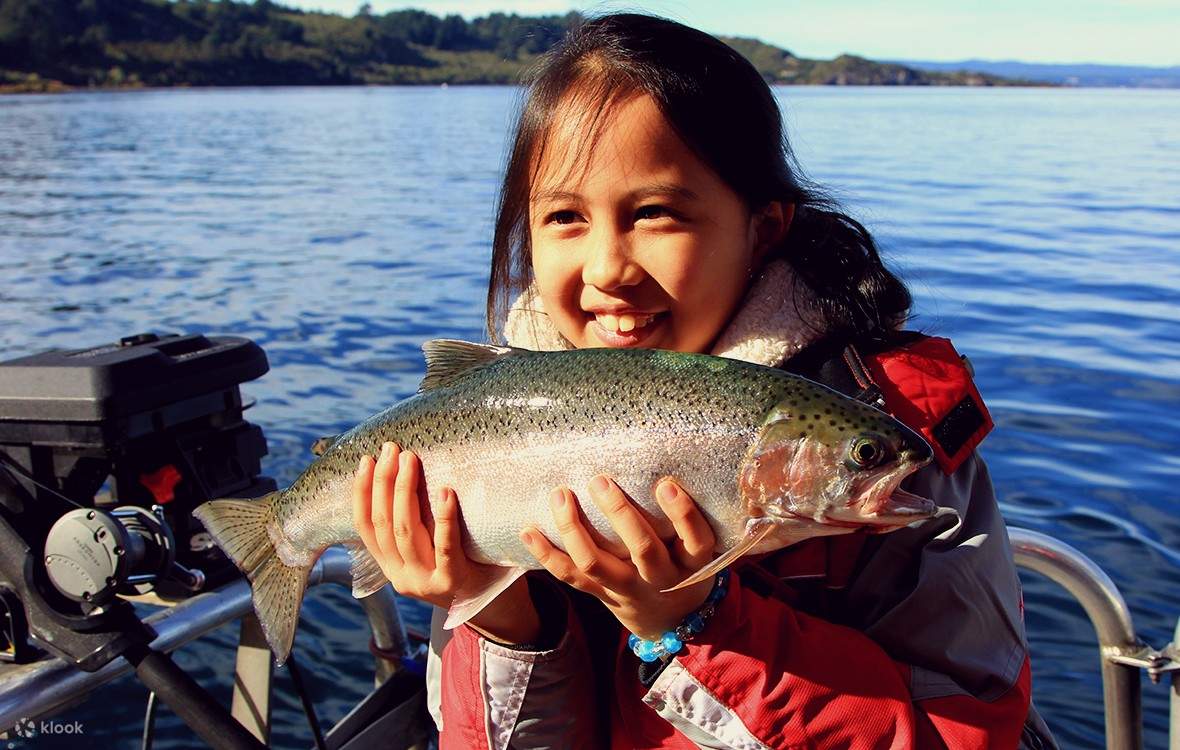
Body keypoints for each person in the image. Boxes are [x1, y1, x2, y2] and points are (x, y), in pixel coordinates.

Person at [351, 13, 1057, 749]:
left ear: (763, 227)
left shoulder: (896, 432)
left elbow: (965, 733)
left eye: (655, 214)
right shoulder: (494, 442)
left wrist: (692, 623)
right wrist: (499, 616)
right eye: (564, 217)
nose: (607, 270)